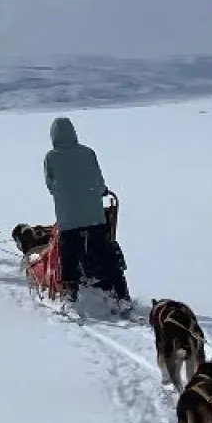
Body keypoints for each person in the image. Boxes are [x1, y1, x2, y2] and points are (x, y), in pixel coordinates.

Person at [43, 116, 131, 313]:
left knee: (69, 255)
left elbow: (51, 185)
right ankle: (121, 295)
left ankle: (71, 295)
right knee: (105, 253)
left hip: (68, 217)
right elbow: (97, 180)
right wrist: (101, 191)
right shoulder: (88, 153)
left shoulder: (51, 157)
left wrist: (65, 193)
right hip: (94, 215)